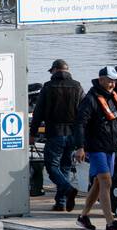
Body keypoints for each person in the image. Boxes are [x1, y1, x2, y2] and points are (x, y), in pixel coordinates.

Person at [73, 65, 117, 230]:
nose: (112, 84)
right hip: (96, 148)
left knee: (99, 184)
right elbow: (80, 124)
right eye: (109, 81)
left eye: (114, 81)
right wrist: (80, 147)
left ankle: (83, 217)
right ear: (101, 80)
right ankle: (110, 223)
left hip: (111, 147)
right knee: (106, 181)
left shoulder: (114, 97)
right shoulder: (90, 99)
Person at [30, 59, 84, 212]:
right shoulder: (77, 86)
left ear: (54, 70)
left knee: (52, 167)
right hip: (73, 134)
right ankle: (60, 203)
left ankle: (67, 190)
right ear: (68, 70)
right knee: (65, 167)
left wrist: (33, 133)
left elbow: (38, 112)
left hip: (55, 133)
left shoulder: (48, 87)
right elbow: (84, 111)